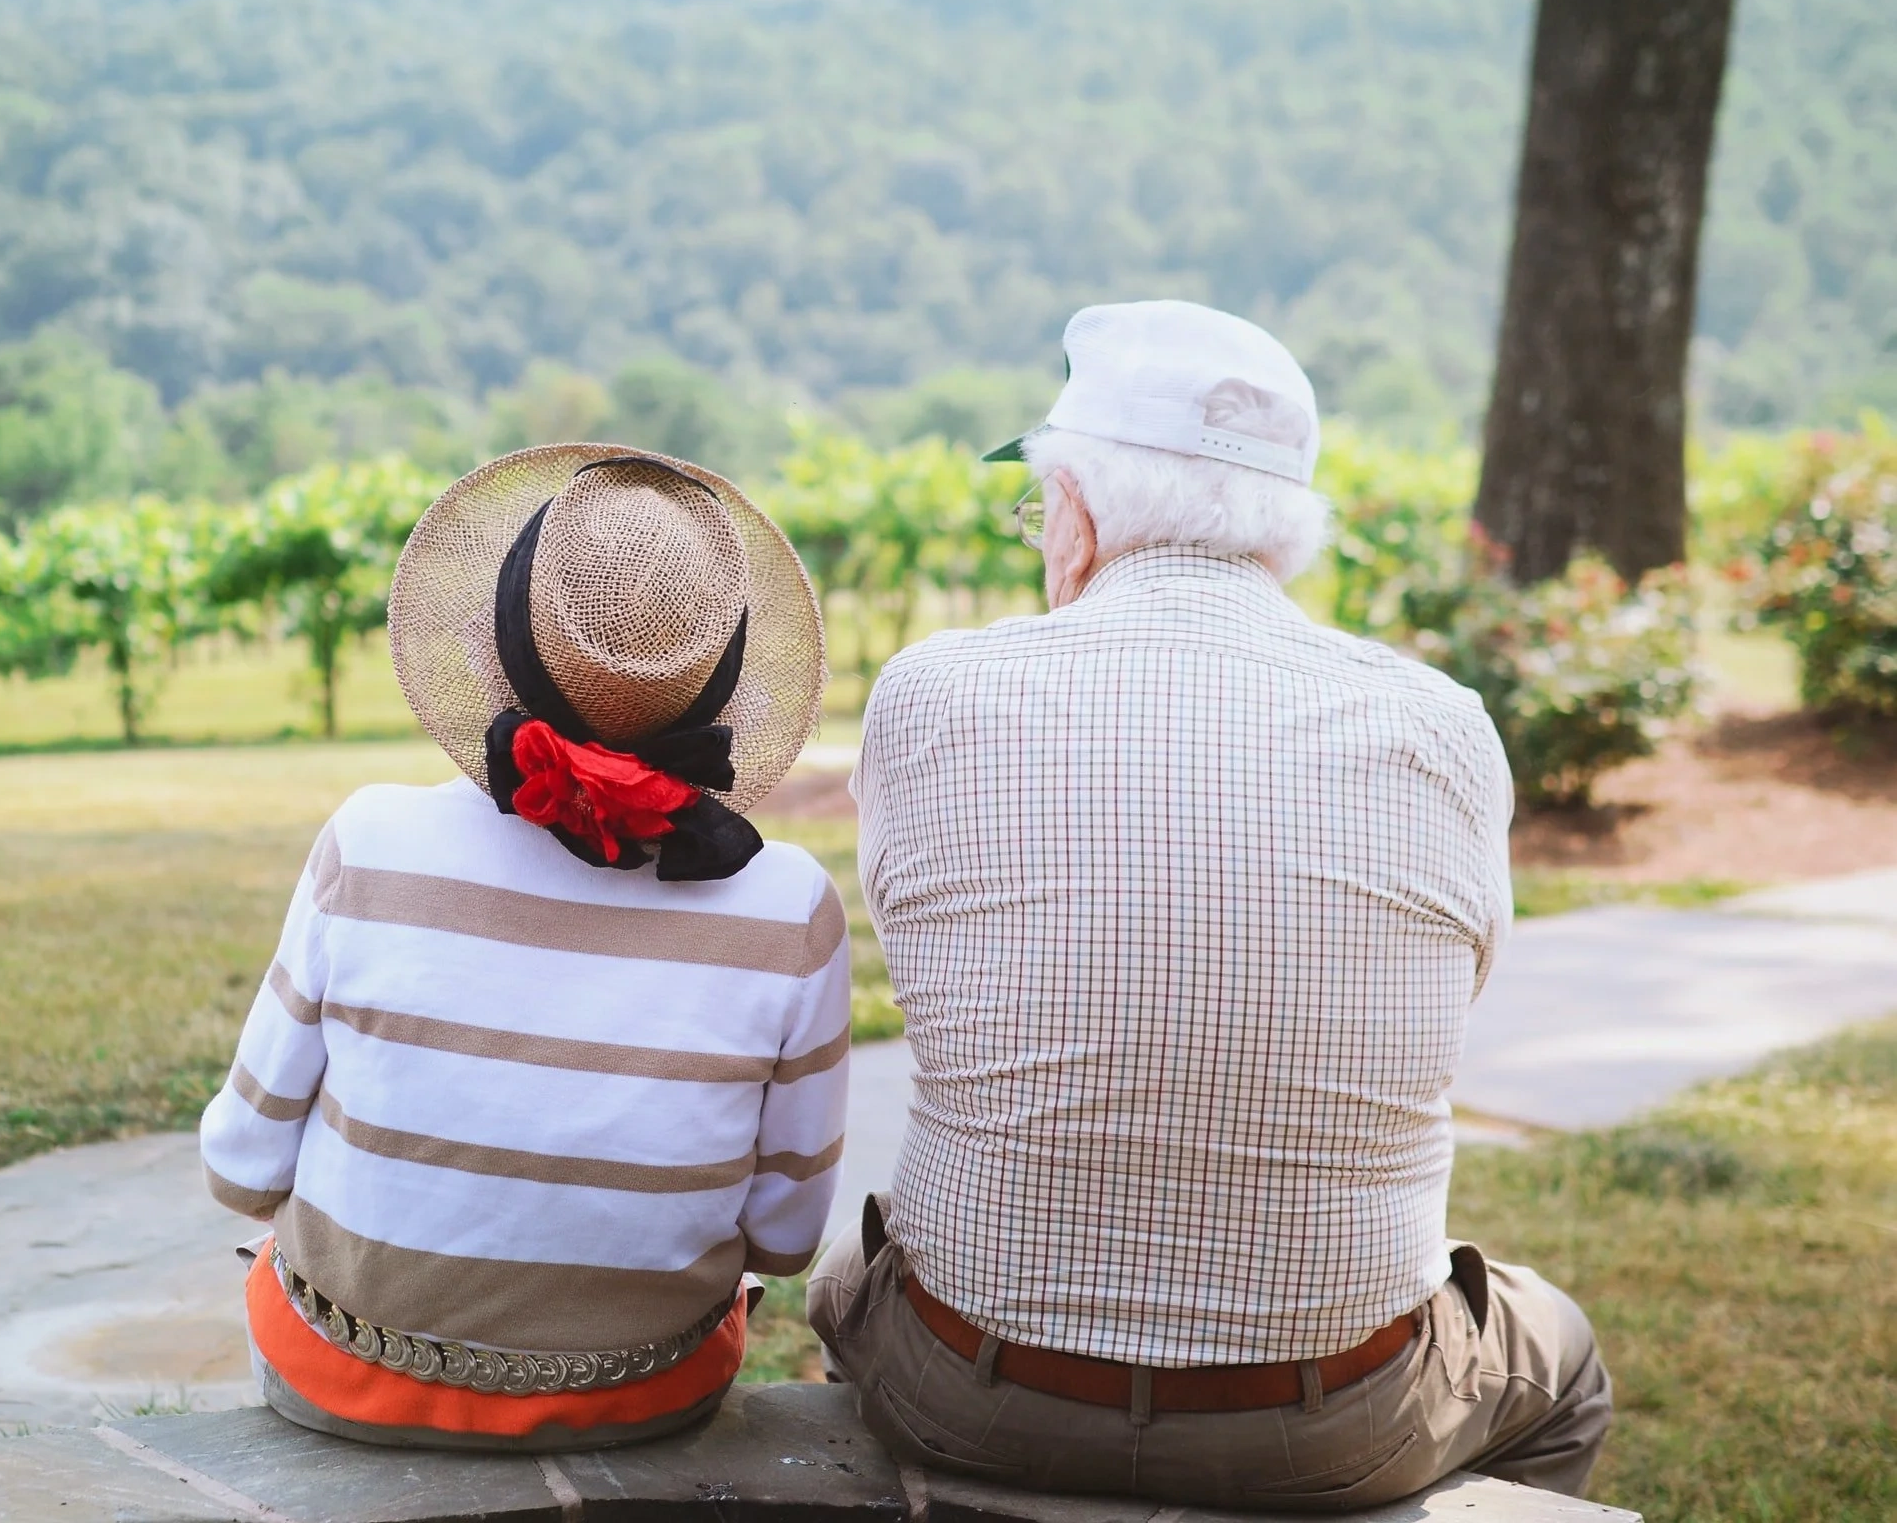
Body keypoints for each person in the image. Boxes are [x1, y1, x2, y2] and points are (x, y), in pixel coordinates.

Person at [809, 301, 1612, 1509]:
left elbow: (929, 954)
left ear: (1074, 509)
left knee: (844, 1279)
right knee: (1565, 1360)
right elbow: (1459, 982)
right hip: (1340, 1418)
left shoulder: (935, 692)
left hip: (970, 1390)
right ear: (1285, 530)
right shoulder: (1441, 724)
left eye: (1038, 506)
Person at [201, 444, 852, 1451]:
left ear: (493, 642)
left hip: (344, 1373)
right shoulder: (787, 904)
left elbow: (241, 1165)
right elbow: (786, 1240)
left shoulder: (369, 841)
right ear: (720, 684)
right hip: (646, 1393)